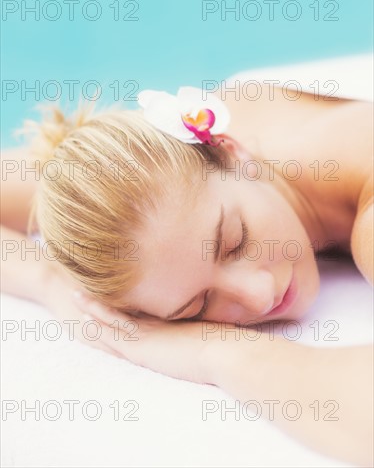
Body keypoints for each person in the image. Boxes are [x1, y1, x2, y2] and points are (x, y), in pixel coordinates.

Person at [1, 84, 373, 467]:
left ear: (232, 150)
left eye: (234, 242)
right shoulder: (159, 172)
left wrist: (210, 352)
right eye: (197, 306)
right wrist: (53, 283)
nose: (259, 295)